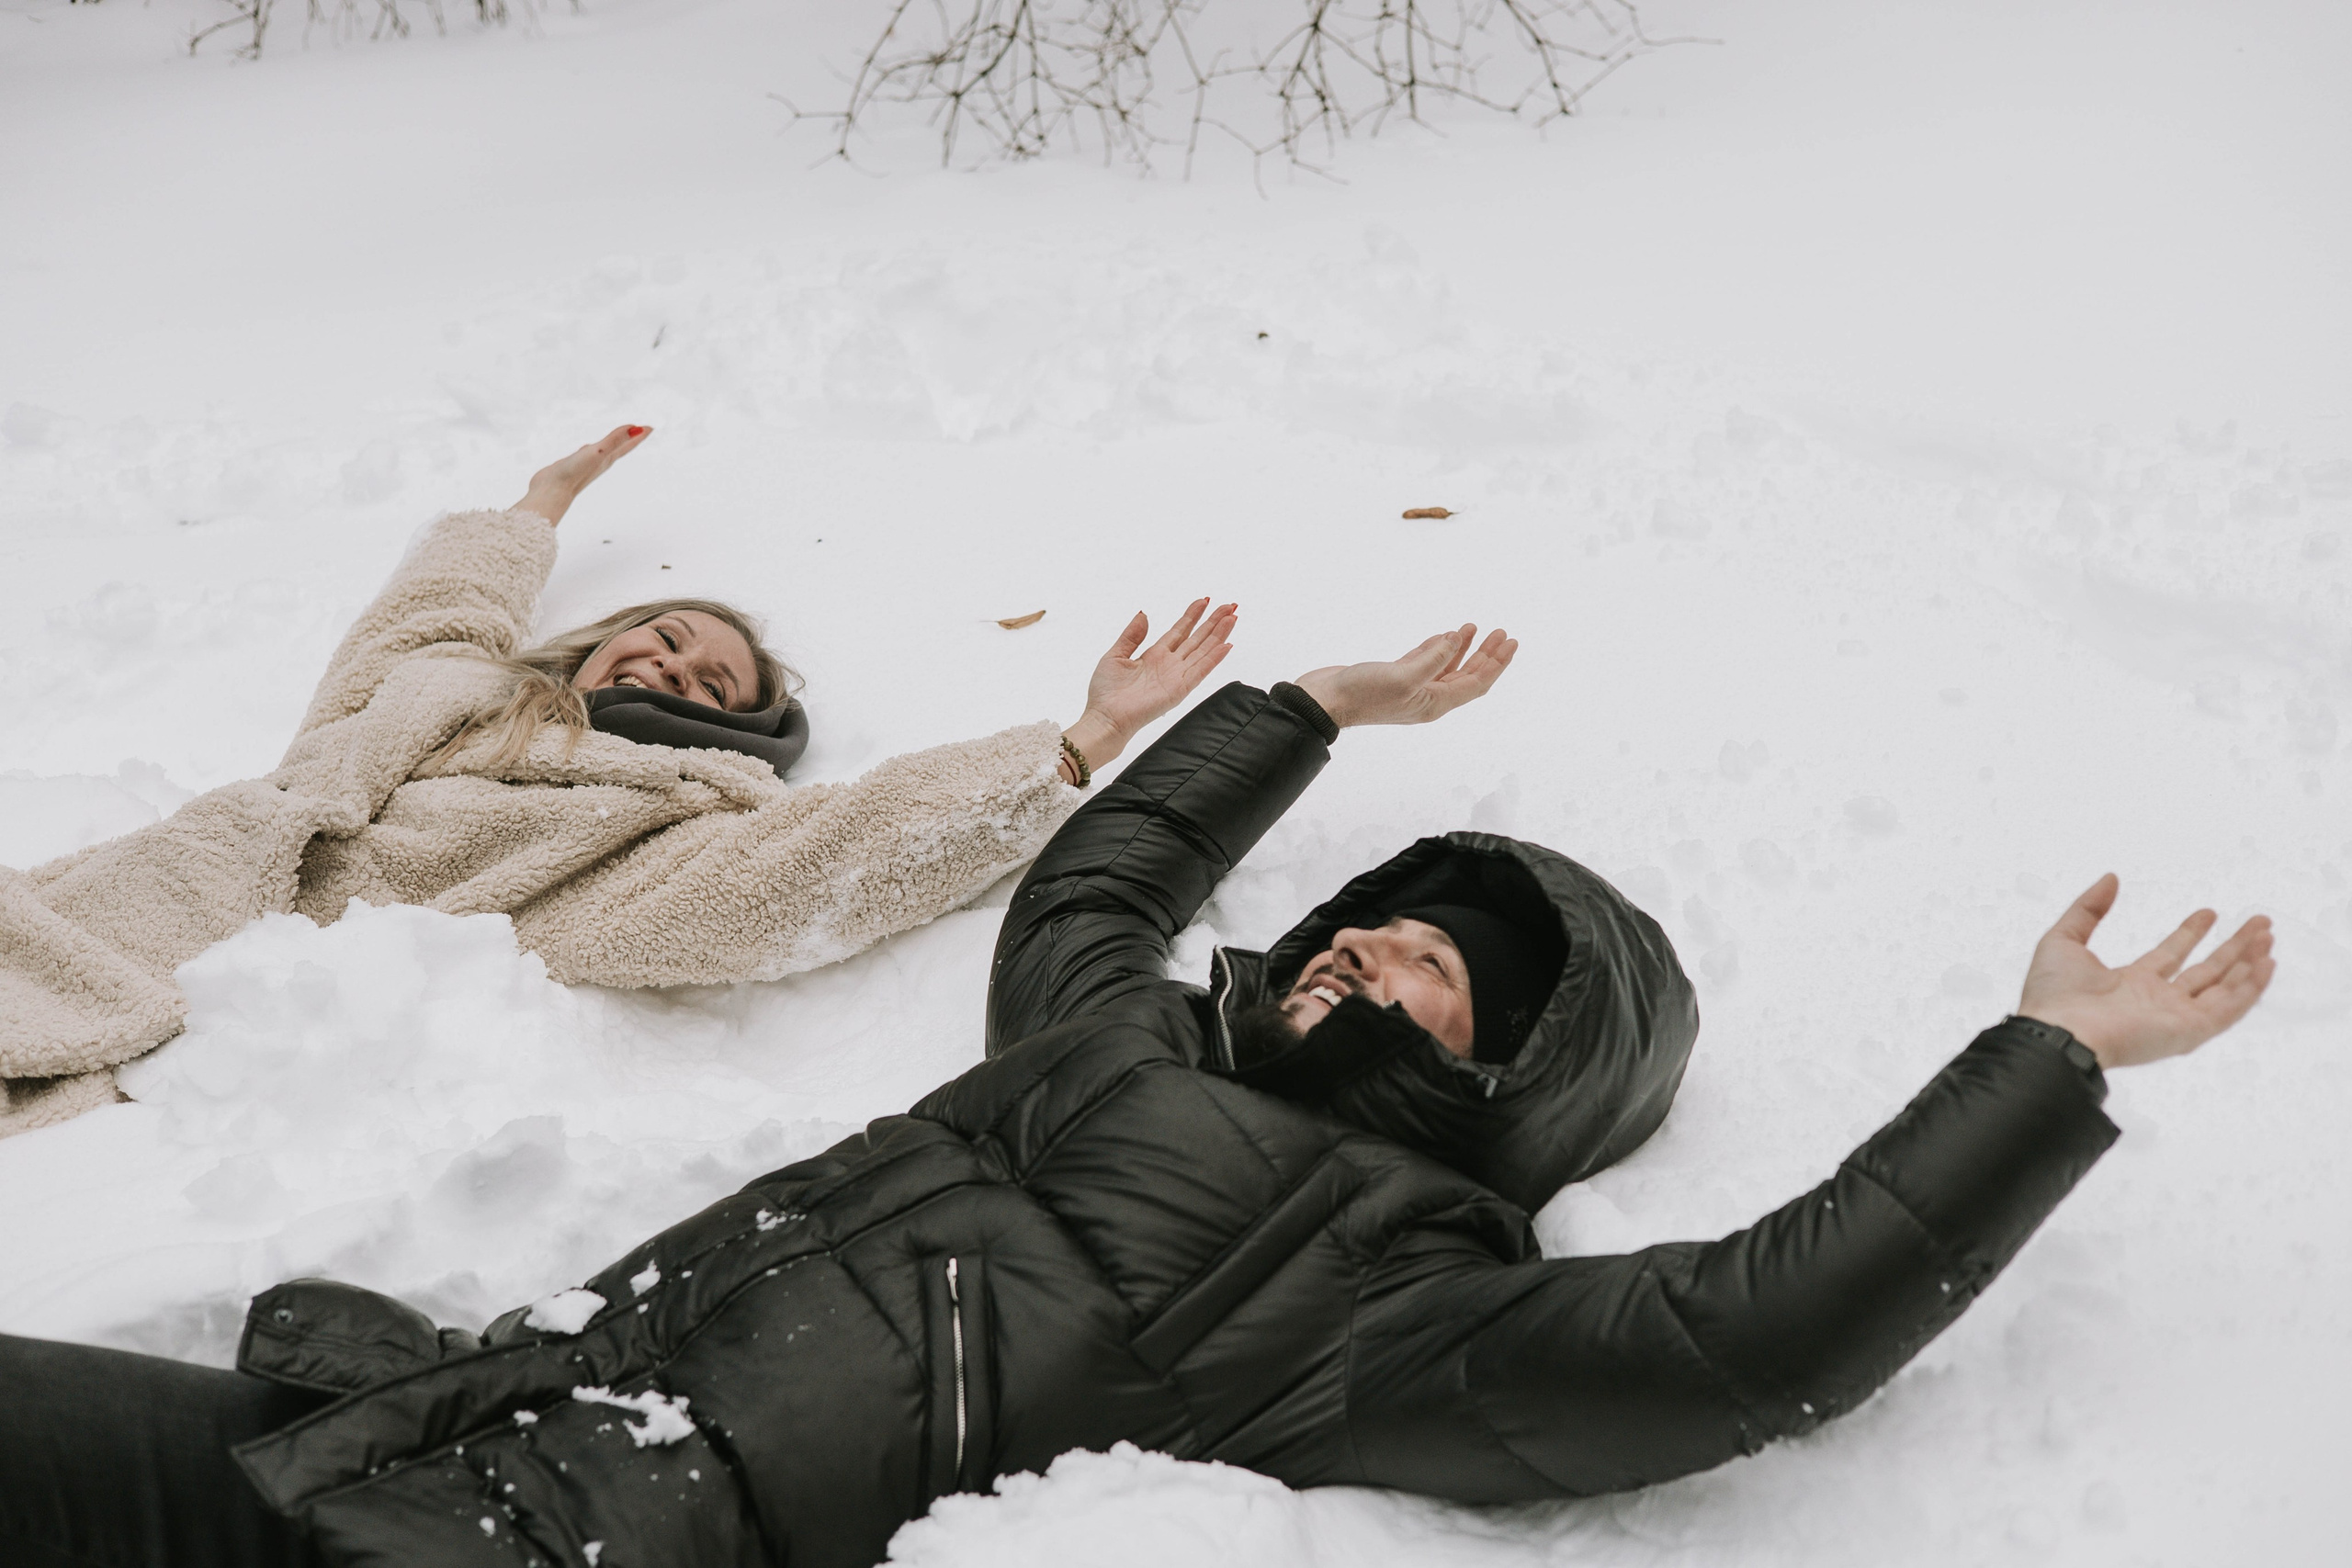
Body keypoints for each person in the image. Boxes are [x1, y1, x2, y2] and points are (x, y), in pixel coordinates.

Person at [0, 628, 2274, 1568]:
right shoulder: (1104, 1042)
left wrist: (2045, 1059)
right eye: (1379, 920)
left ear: (1518, 1086)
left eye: (1450, 974)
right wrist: (1299, 707)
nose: (1380, 949)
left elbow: (1732, 1337)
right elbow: (1104, 882)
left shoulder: (1395, 1282)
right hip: (440, 1427)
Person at [0, 424, 1238, 1139]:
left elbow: (828, 860)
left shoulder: (663, 828)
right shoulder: (443, 689)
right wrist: (541, 501)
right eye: (669, 634)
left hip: (202, 1002)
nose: (678, 668)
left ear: (739, 739)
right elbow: (438, 606)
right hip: (97, 901)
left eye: (717, 684)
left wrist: (1069, 747)